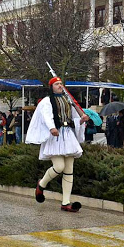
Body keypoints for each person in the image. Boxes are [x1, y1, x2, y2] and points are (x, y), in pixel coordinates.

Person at [26, 76, 89, 212]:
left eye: (61, 84)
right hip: (56, 136)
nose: (60, 86)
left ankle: (66, 202)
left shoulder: (68, 100)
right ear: (51, 87)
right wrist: (51, 128)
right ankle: (41, 185)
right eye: (57, 84)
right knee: (59, 167)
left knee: (69, 170)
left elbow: (73, 118)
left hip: (68, 135)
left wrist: (81, 120)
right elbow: (46, 116)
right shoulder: (47, 101)